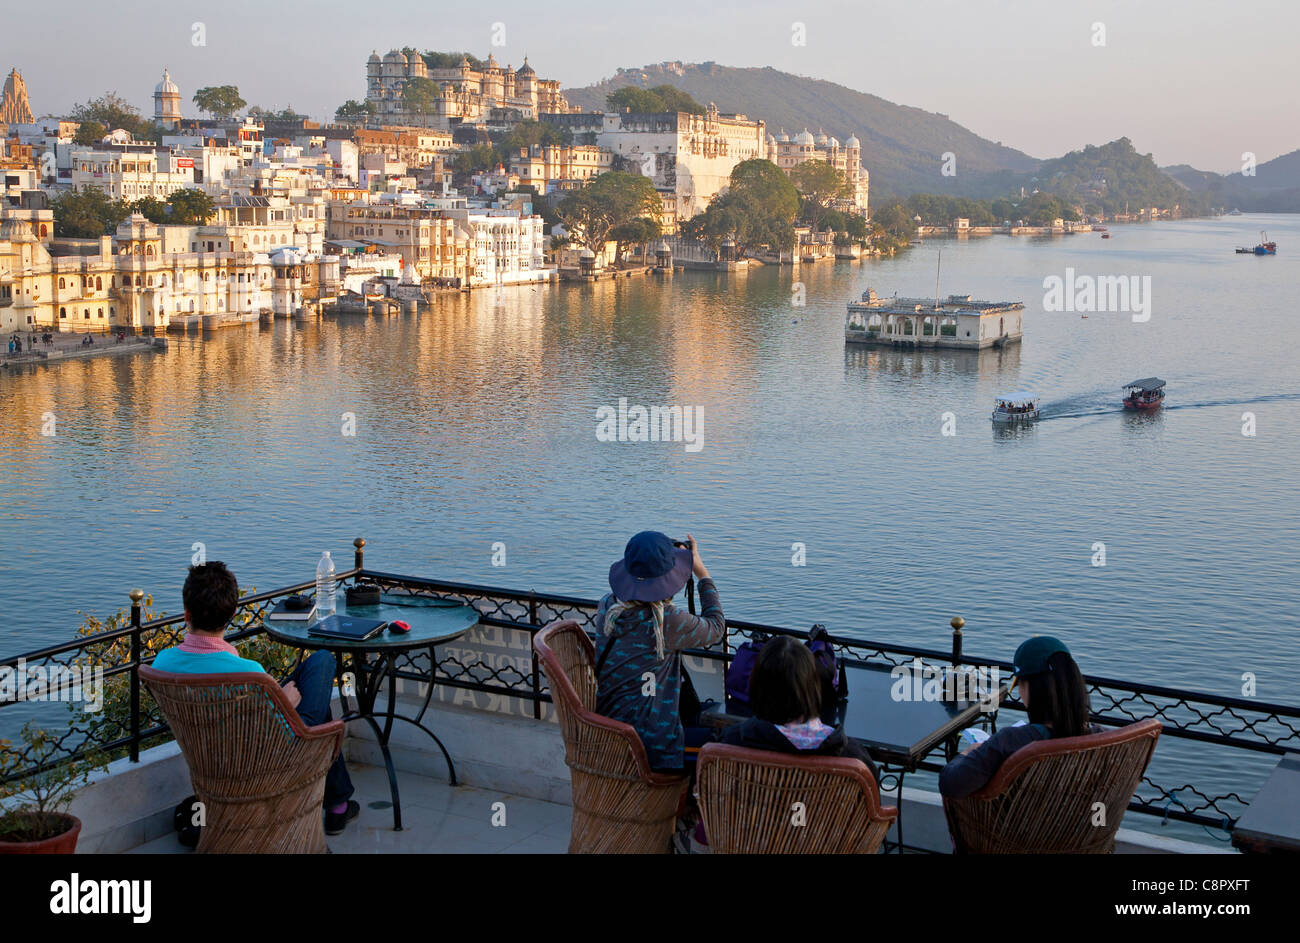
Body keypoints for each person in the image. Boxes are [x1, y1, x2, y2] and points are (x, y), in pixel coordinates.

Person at [152, 562, 359, 835]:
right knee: (321, 661)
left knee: (310, 674)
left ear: (187, 614)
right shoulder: (248, 674)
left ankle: (337, 804)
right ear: (233, 613)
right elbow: (280, 733)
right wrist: (285, 701)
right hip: (266, 765)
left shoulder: (162, 663)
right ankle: (337, 805)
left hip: (209, 766)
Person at [593, 531, 725, 774]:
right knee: (725, 742)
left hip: (608, 733)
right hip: (653, 749)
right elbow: (716, 627)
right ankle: (681, 805)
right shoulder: (668, 622)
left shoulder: (606, 606)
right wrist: (701, 572)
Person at [938, 636, 1097, 799]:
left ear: (1032, 688)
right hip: (1078, 821)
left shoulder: (1010, 741)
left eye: (1020, 685)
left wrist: (967, 753)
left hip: (1015, 823)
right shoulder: (1100, 738)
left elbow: (950, 784)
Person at [720, 635, 880, 784]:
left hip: (753, 814)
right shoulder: (853, 759)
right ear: (813, 688)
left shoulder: (730, 743)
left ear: (757, 687)